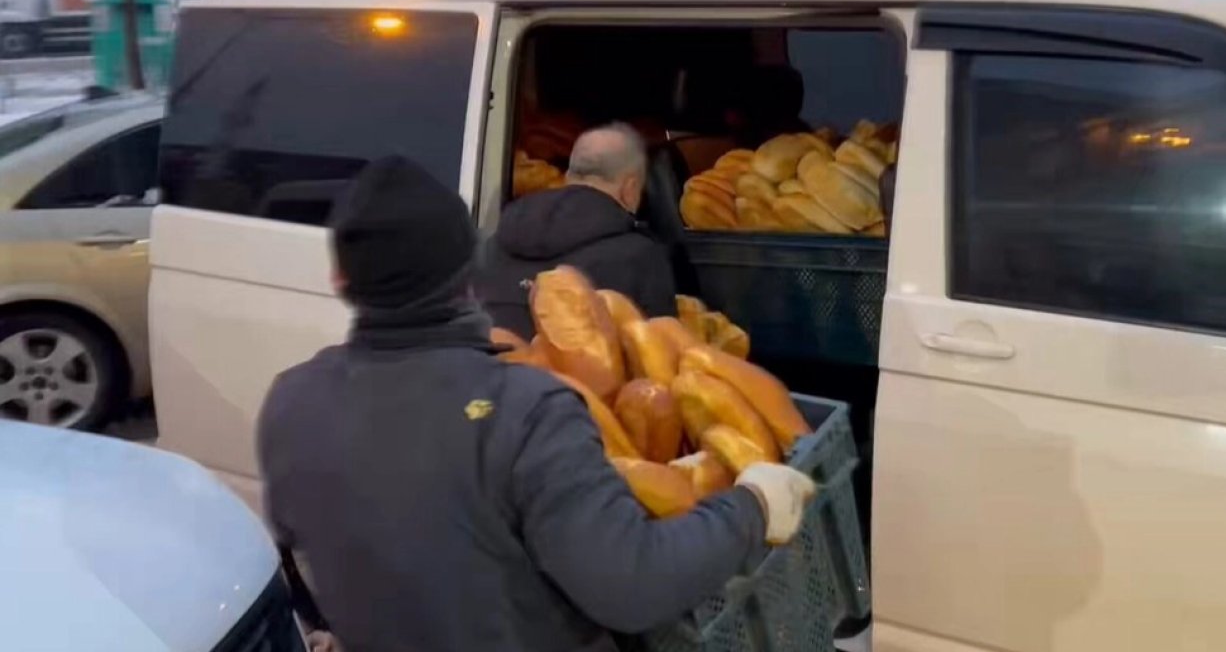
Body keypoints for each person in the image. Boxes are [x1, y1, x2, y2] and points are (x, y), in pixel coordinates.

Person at [257, 155, 816, 652]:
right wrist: (752, 507)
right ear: (468, 270)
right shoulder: (525, 408)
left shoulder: (289, 403)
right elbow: (633, 583)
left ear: (339, 278)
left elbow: (299, 564)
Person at [477, 123, 677, 339]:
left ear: (567, 176)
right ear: (630, 188)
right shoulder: (642, 258)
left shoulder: (494, 244)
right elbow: (663, 349)